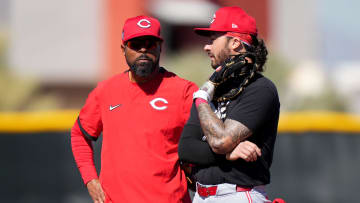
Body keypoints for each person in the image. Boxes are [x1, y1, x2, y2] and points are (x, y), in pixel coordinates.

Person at [70, 15, 198, 203]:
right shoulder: (106, 91)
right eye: (136, 45)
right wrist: (90, 179)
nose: (143, 50)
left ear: (160, 47)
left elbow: (206, 140)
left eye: (150, 43)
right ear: (123, 49)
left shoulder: (184, 90)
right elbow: (79, 135)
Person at [178, 7, 280, 203]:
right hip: (201, 196)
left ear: (234, 43)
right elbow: (186, 148)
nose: (206, 47)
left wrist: (200, 99)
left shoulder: (260, 88)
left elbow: (221, 141)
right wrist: (229, 154)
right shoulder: (212, 91)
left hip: (238, 195)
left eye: (212, 39)